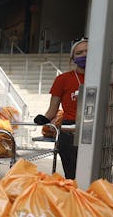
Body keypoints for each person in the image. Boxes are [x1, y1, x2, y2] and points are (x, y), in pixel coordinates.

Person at [34, 37, 88, 179]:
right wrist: (45, 118)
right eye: (79, 53)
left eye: (88, 52)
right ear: (72, 58)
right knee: (72, 173)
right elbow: (53, 109)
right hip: (69, 129)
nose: (84, 55)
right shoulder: (63, 79)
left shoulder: (103, 78)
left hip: (93, 128)